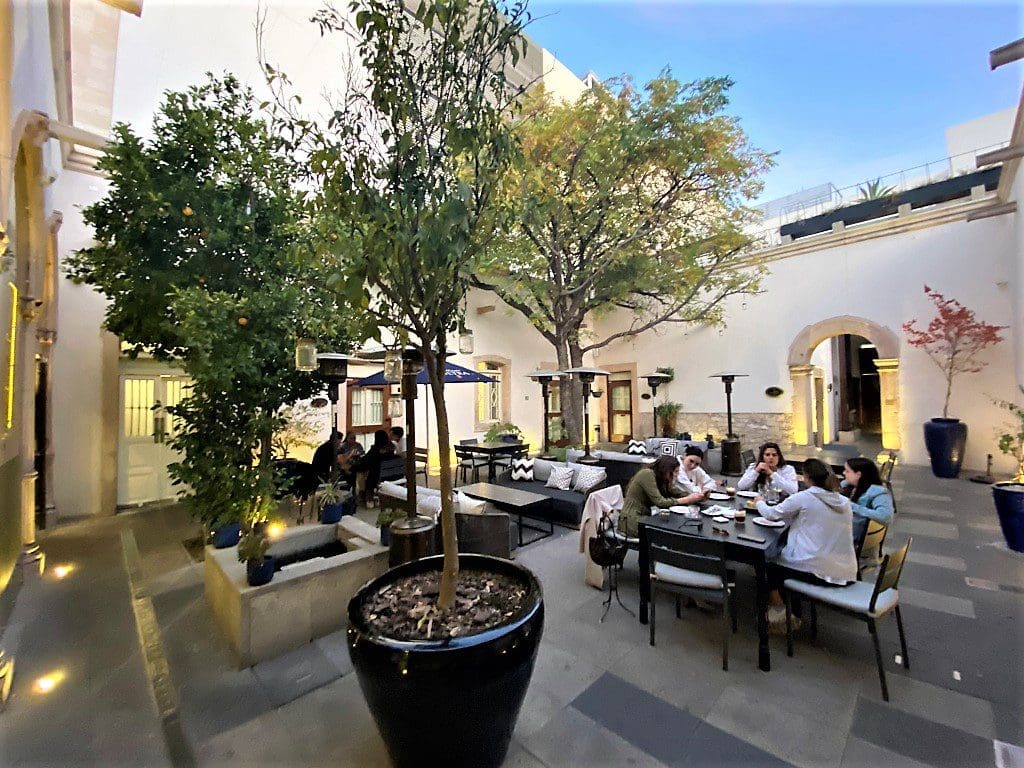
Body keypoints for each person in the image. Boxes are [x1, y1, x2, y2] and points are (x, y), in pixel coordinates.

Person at [754, 457, 858, 632]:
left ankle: (780, 613)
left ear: (807, 477)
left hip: (817, 568)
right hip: (845, 569)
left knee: (768, 564)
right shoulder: (843, 502)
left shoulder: (805, 497)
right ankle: (790, 606)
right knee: (784, 556)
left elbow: (772, 514)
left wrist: (759, 502)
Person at [619, 456, 695, 538]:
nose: (676, 475)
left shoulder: (660, 478)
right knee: (668, 534)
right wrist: (685, 500)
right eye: (675, 471)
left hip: (642, 518)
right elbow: (660, 502)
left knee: (672, 527)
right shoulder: (647, 474)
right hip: (631, 521)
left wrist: (696, 497)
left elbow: (674, 492)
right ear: (666, 470)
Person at [841, 457, 894, 542]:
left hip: (855, 538)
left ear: (858, 474)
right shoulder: (846, 485)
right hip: (844, 529)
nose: (843, 473)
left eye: (847, 471)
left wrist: (853, 506)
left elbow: (886, 517)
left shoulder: (878, 492)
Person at [353, 429, 397, 506]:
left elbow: (366, 461)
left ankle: (364, 495)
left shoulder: (376, 450)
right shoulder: (391, 448)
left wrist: (354, 464)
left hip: (377, 476)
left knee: (359, 471)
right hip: (391, 475)